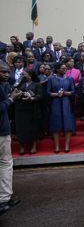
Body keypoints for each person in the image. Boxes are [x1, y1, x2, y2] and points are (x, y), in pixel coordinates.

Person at [0, 62, 22, 215]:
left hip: (4, 130)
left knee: (6, 164)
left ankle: (4, 198)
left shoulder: (4, 85)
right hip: (1, 132)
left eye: (8, 72)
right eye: (3, 72)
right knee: (5, 163)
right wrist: (11, 99)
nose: (7, 75)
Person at [47, 62, 75, 153]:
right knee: (56, 124)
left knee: (68, 124)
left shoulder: (70, 78)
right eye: (63, 68)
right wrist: (56, 94)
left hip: (66, 102)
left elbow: (73, 91)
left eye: (65, 68)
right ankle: (57, 147)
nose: (65, 70)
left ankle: (67, 146)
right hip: (55, 102)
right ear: (57, 69)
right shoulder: (51, 79)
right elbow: (47, 92)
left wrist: (66, 93)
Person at [14, 70, 42, 155]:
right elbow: (13, 91)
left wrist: (32, 98)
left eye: (23, 74)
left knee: (33, 127)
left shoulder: (37, 84)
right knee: (21, 128)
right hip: (21, 109)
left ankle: (33, 146)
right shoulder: (19, 84)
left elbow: (40, 95)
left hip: (32, 108)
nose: (22, 75)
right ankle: (22, 146)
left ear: (30, 75)